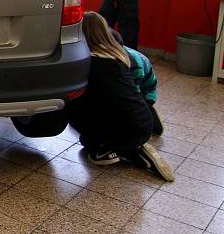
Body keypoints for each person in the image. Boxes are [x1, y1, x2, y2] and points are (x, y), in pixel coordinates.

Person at [67, 12, 174, 181]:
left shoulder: (87, 64)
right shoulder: (121, 56)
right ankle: (132, 148)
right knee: (120, 105)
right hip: (144, 124)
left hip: (119, 131)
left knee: (73, 106)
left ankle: (106, 151)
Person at [110, 29, 163, 136]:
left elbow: (134, 93)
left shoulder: (134, 63)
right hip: (137, 82)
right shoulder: (119, 55)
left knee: (139, 108)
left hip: (146, 92)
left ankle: (153, 122)